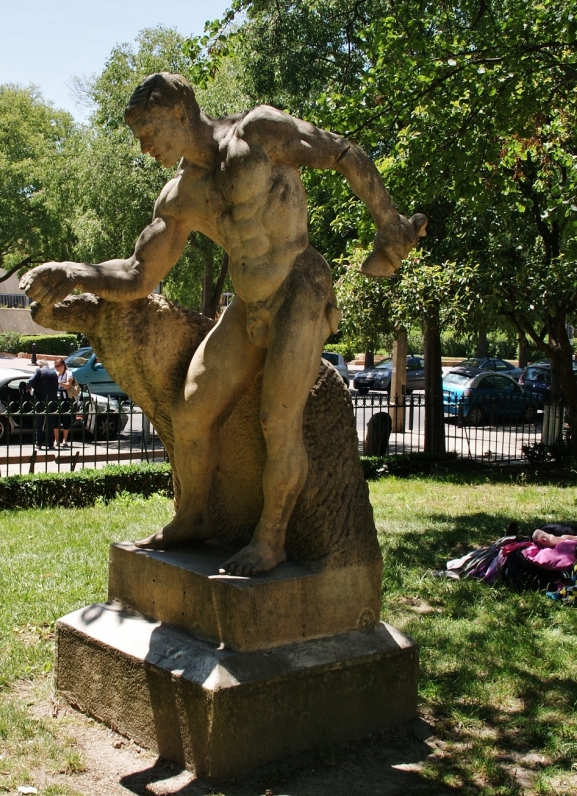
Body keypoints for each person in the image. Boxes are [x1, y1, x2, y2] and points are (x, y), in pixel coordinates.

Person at [21, 72, 426, 574]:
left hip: (300, 287)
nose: (145, 147)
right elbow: (138, 275)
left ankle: (272, 538)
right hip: (248, 305)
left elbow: (341, 151)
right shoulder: (180, 196)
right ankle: (193, 517)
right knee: (190, 413)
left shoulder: (258, 133)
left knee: (277, 421)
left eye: (148, 132)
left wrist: (389, 223)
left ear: (176, 110)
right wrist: (73, 272)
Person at [28, 362, 58, 449]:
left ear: (40, 366)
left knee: (39, 422)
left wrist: (30, 390)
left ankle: (38, 443)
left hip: (41, 400)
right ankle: (50, 443)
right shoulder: (53, 373)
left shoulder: (39, 371)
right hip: (52, 400)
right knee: (50, 422)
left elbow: (30, 382)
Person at [53, 357, 73, 448]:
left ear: (63, 365)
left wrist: (58, 383)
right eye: (55, 366)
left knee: (65, 419)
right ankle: (56, 440)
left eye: (58, 366)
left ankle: (65, 440)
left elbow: (68, 386)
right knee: (55, 420)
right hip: (57, 398)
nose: (57, 368)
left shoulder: (68, 373)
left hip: (65, 399)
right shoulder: (56, 374)